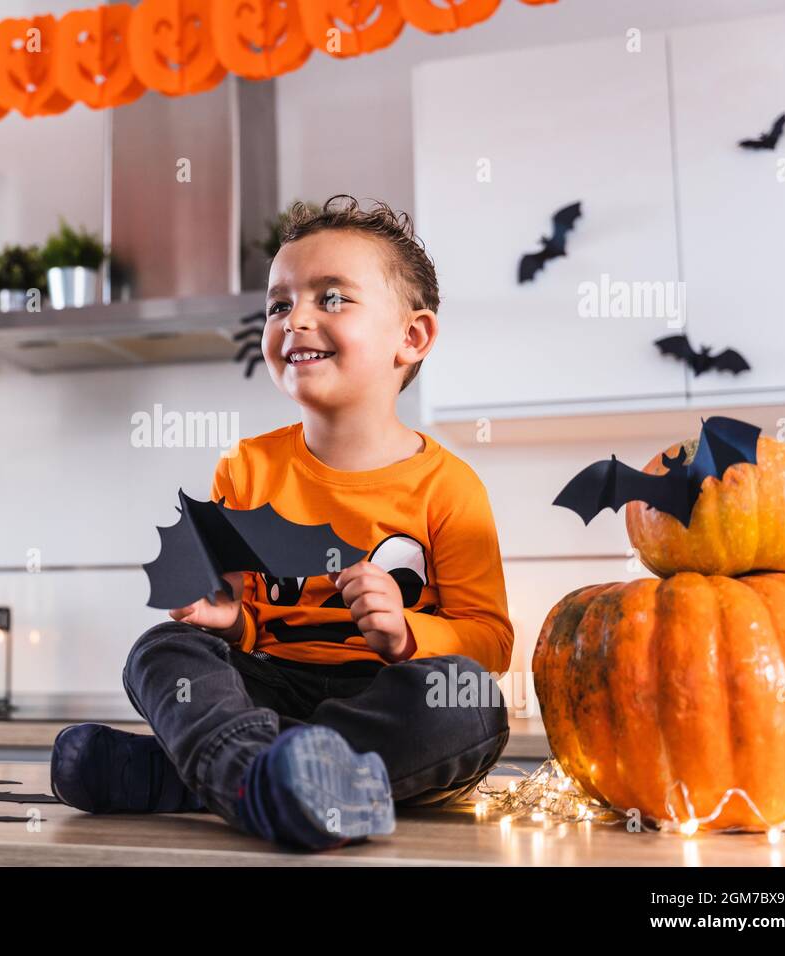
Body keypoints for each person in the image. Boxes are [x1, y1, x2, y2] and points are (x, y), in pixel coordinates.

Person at [51, 195, 514, 851]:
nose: (294, 318)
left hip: (383, 702)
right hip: (264, 691)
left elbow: (491, 642)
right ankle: (281, 781)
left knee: (467, 703)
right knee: (162, 651)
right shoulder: (246, 468)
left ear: (412, 338)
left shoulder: (450, 487)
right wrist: (229, 620)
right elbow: (249, 625)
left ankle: (210, 778)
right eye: (278, 304)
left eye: (331, 298)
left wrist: (407, 632)